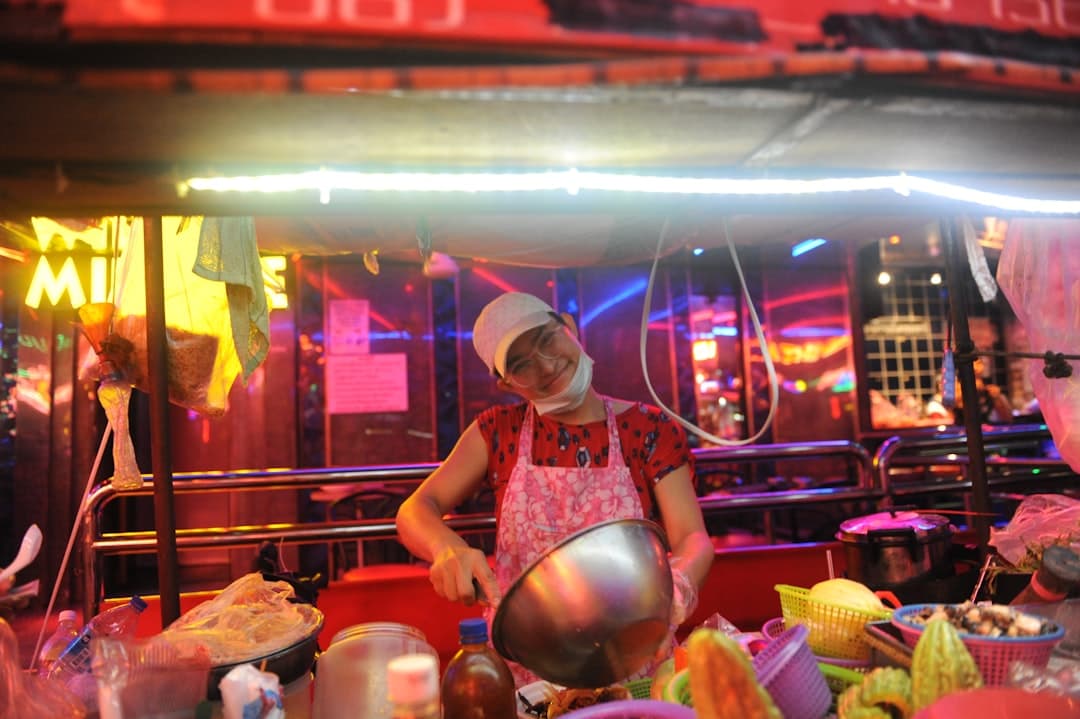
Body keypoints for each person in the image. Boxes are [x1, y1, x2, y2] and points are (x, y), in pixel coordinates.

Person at [396, 292, 714, 686]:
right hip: (530, 667)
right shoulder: (497, 432)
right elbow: (415, 510)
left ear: (569, 326)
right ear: (504, 382)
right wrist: (446, 548)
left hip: (633, 655)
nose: (546, 366)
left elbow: (692, 536)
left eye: (547, 340)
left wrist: (675, 589)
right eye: (521, 364)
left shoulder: (651, 430)